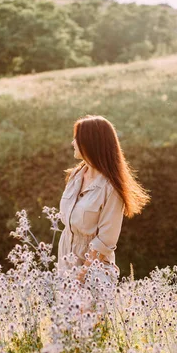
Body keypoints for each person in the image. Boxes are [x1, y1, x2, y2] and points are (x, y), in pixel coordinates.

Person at [57, 115, 150, 285]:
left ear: (90, 143)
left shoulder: (111, 188)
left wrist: (81, 274)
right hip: (66, 264)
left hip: (94, 272)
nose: (72, 143)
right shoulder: (75, 176)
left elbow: (106, 240)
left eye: (77, 138)